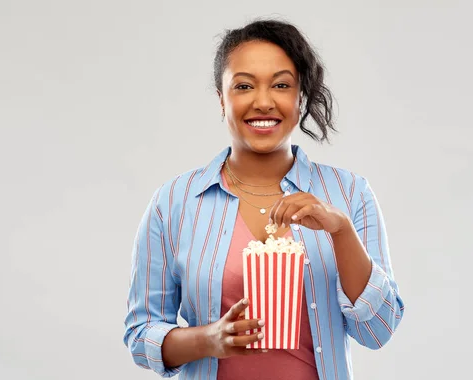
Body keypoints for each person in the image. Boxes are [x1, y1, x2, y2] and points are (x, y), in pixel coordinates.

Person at [123, 18, 405, 380]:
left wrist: (341, 232)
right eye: (243, 86)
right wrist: (208, 340)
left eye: (281, 85)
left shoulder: (350, 194)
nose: (263, 101)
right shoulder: (174, 202)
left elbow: (378, 330)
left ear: (300, 98)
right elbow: (140, 335)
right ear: (221, 99)